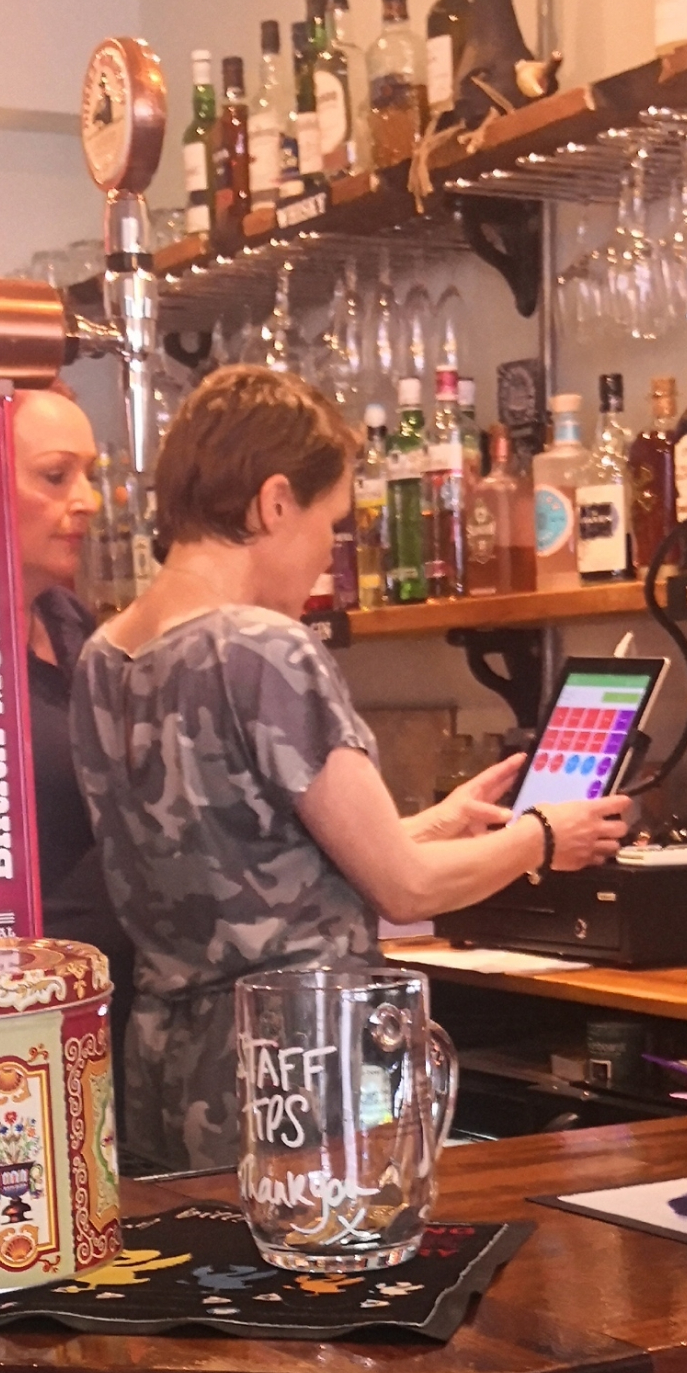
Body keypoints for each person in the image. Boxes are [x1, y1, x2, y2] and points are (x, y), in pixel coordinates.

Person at [73, 366, 629, 1169]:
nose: (325, 559)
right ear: (273, 503)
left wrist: (432, 824)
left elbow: (232, 859)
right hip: (299, 1061)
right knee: (334, 1250)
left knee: (200, 1248)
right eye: (329, 525)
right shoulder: (263, 647)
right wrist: (541, 837)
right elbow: (406, 889)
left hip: (170, 1061)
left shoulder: (106, 654)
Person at [11, 388, 135, 1034]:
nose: (87, 500)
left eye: (89, 475)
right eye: (56, 476)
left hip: (114, 1003)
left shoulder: (67, 621)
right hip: (17, 1021)